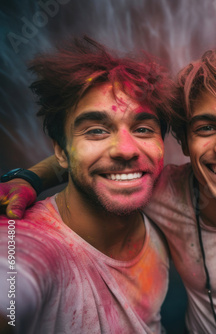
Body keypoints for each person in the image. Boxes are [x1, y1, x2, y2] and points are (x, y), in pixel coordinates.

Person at [0, 46, 216, 333]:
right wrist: (28, 178)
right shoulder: (159, 188)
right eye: (206, 128)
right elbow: (100, 166)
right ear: (183, 141)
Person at [0, 37, 172, 333]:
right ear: (60, 151)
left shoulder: (167, 197)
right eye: (96, 130)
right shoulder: (27, 241)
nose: (126, 149)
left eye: (142, 129)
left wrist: (31, 176)